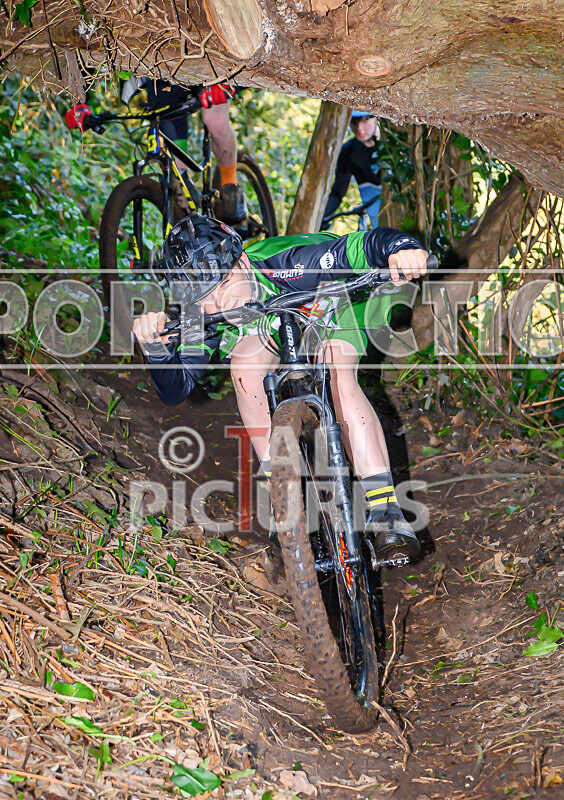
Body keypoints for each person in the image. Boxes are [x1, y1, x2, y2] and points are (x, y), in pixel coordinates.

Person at [133, 216, 428, 564]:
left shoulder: (289, 265)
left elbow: (360, 245)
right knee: (243, 367)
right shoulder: (204, 310)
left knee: (336, 376)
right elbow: (176, 388)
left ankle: (386, 509)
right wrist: (155, 348)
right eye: (204, 297)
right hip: (265, 324)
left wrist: (401, 249)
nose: (220, 302)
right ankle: (281, 496)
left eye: (224, 282)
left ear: (243, 262)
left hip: (330, 302)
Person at [121, 77, 246, 225]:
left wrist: (228, 81)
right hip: (167, 71)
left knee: (215, 121)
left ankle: (229, 186)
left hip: (210, 68)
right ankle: (182, 183)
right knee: (163, 110)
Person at [322, 110, 382, 229]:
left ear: (377, 118)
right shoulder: (348, 152)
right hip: (378, 221)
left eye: (365, 120)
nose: (360, 128)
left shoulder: (394, 148)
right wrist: (321, 216)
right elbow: (338, 192)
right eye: (354, 121)